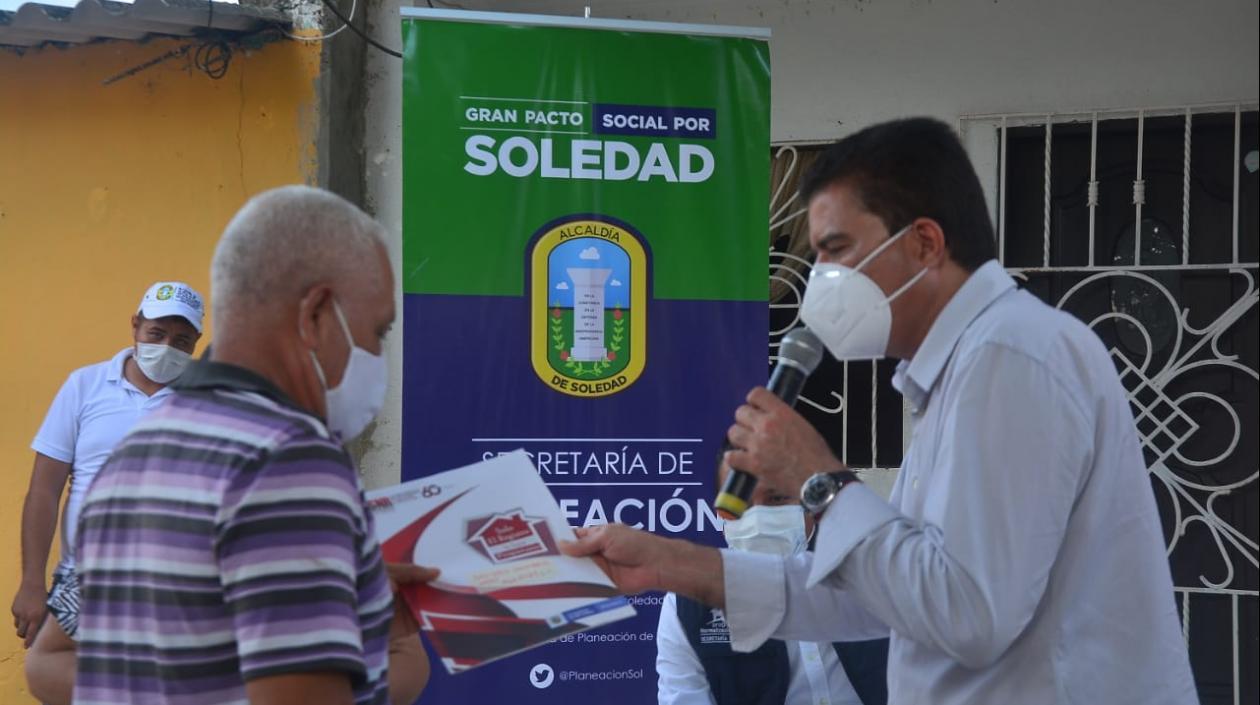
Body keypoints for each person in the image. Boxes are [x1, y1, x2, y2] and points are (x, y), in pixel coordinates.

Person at [564, 118, 1198, 704]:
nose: (819, 277)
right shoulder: (954, 373)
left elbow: (969, 616)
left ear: (924, 242)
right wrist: (670, 564)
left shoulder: (1011, 355)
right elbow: (886, 601)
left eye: (836, 249)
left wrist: (820, 480)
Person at [72, 186, 433, 705]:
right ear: (315, 315)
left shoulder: (134, 451)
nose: (378, 352)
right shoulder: (289, 459)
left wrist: (364, 605)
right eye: (377, 330)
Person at [14, 281, 204, 704]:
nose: (167, 347)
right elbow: (44, 489)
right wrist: (31, 583)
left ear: (197, 344)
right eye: (157, 334)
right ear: (135, 325)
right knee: (71, 683)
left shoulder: (210, 398)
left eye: (182, 340)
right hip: (84, 580)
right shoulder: (85, 386)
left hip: (175, 586)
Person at [656, 456, 887, 705]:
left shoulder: (869, 573)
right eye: (740, 503)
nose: (758, 519)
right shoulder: (690, 604)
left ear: (811, 502)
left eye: (776, 499)